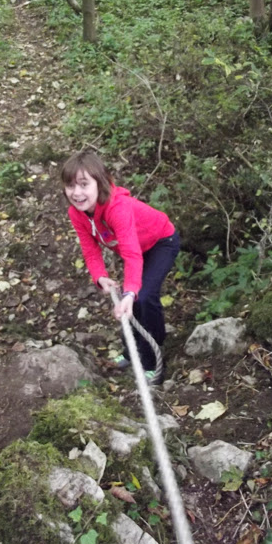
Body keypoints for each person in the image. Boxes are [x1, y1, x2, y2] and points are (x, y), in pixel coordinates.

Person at [61, 151, 180, 385]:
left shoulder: (118, 208)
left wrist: (130, 291)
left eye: (84, 184)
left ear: (100, 182)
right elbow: (90, 248)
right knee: (132, 301)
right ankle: (130, 352)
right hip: (138, 249)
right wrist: (100, 276)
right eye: (70, 186)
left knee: (143, 297)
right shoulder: (77, 214)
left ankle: (153, 362)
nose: (76, 193)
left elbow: (131, 254)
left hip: (161, 242)